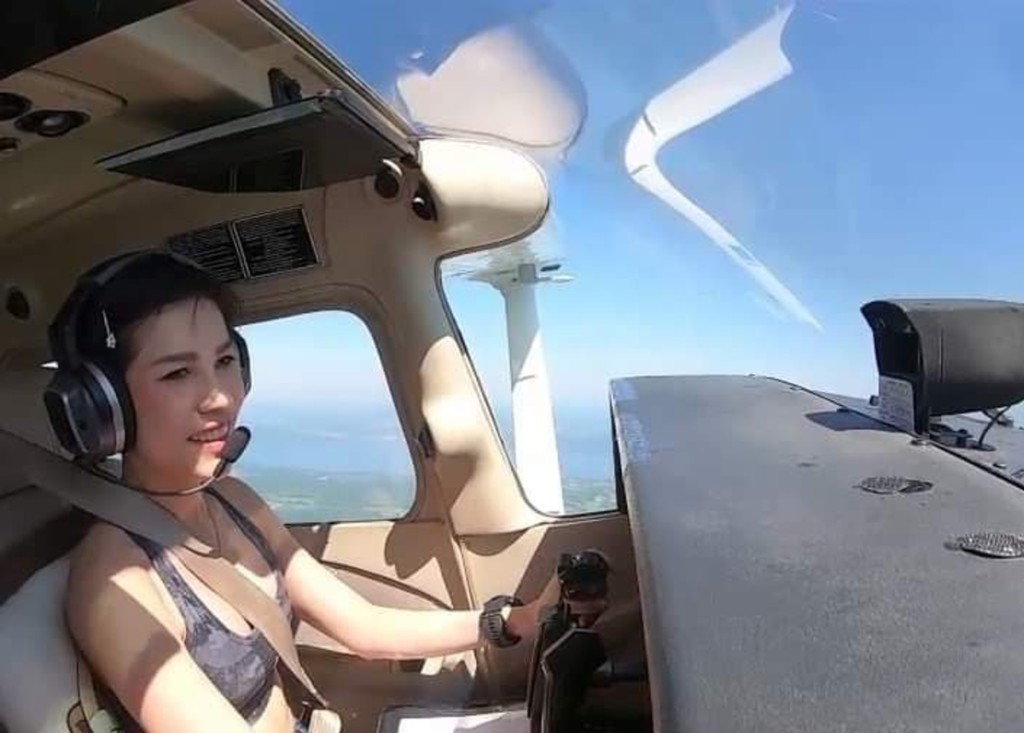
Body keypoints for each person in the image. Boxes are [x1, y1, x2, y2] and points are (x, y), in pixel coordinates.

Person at [55, 251, 562, 733]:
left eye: (226, 361)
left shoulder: (235, 501)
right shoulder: (115, 579)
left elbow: (364, 627)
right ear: (103, 406)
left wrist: (513, 620)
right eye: (178, 373)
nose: (221, 398)